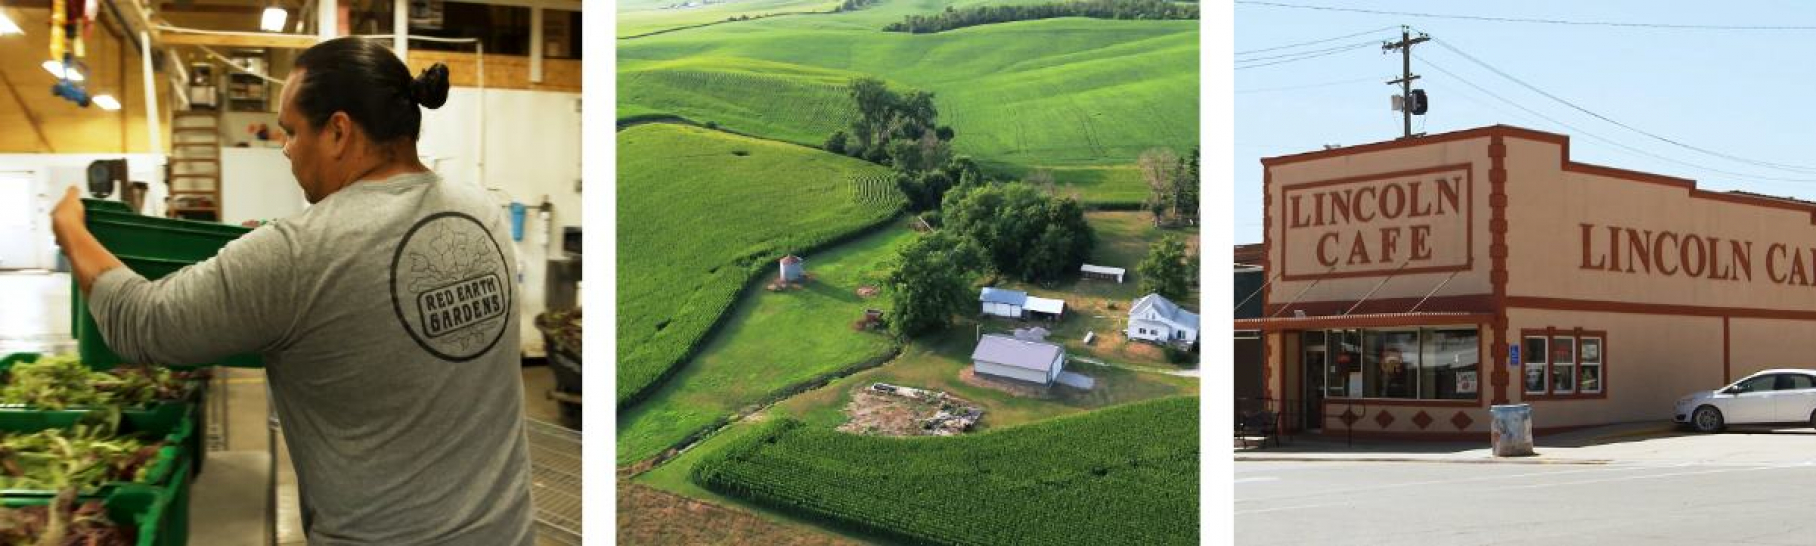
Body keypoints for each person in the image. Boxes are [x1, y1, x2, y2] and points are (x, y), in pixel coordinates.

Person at [49, 37, 533, 545]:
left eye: (291, 131)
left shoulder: (299, 252)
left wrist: (72, 231)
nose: (285, 149)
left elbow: (140, 322)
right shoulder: (482, 211)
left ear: (339, 131)